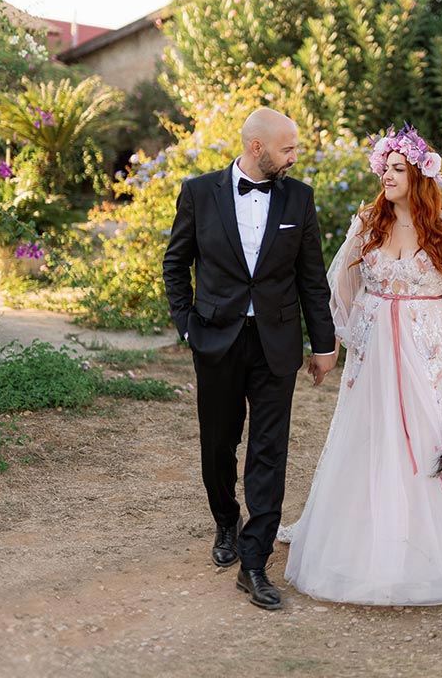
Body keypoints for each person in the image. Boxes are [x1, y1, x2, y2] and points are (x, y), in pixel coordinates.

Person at [278, 125, 442, 606]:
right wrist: (339, 337)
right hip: (375, 344)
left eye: (397, 169)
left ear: (420, 176)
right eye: (384, 167)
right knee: (370, 433)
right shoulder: (367, 223)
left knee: (423, 439)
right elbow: (342, 280)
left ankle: (422, 546)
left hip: (427, 348)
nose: (387, 175)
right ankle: (363, 543)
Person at [162, 107, 338, 610]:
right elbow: (176, 264)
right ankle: (225, 521)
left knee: (269, 451)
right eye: (288, 148)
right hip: (215, 339)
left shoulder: (299, 198)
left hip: (276, 345)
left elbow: (311, 278)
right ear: (257, 147)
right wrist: (187, 325)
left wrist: (322, 345)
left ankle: (255, 563)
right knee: (218, 445)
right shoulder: (199, 192)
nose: (295, 157)